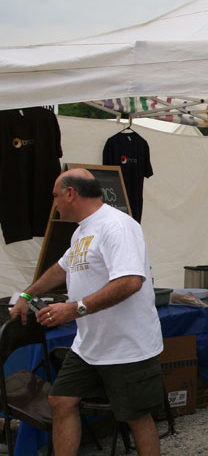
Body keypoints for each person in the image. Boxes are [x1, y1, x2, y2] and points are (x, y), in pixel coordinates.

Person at [10, 169, 164, 455]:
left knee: (136, 417)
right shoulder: (83, 230)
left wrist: (75, 309)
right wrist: (28, 294)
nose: (54, 203)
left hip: (127, 345)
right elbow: (60, 268)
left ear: (71, 194)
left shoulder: (116, 226)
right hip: (90, 345)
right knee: (61, 401)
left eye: (55, 196)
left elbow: (131, 281)